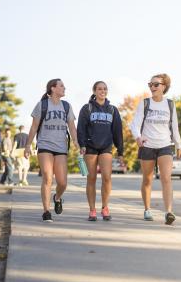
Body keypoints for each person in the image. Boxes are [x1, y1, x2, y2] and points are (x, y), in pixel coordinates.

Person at [130, 73, 181, 225]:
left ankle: (169, 212)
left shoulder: (170, 104)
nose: (152, 87)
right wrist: (138, 137)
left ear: (164, 86)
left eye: (156, 84)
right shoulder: (145, 103)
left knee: (166, 178)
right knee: (147, 179)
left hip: (165, 145)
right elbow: (135, 124)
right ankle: (147, 209)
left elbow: (174, 126)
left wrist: (178, 145)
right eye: (150, 84)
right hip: (147, 145)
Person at [24, 79, 79, 222]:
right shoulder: (42, 105)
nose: (64, 88)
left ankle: (57, 197)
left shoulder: (66, 106)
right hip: (45, 146)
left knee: (62, 183)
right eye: (61, 86)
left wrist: (76, 142)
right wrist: (28, 145)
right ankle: (46, 211)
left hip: (61, 147)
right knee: (48, 177)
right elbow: (34, 127)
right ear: (53, 88)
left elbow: (72, 127)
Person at [77, 81, 123, 221]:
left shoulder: (112, 110)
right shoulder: (87, 108)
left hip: (106, 147)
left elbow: (117, 131)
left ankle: (105, 207)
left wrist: (120, 151)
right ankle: (92, 210)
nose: (102, 91)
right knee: (91, 178)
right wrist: (82, 144)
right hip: (90, 147)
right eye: (99, 89)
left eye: (105, 89)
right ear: (94, 91)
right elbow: (81, 128)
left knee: (107, 177)